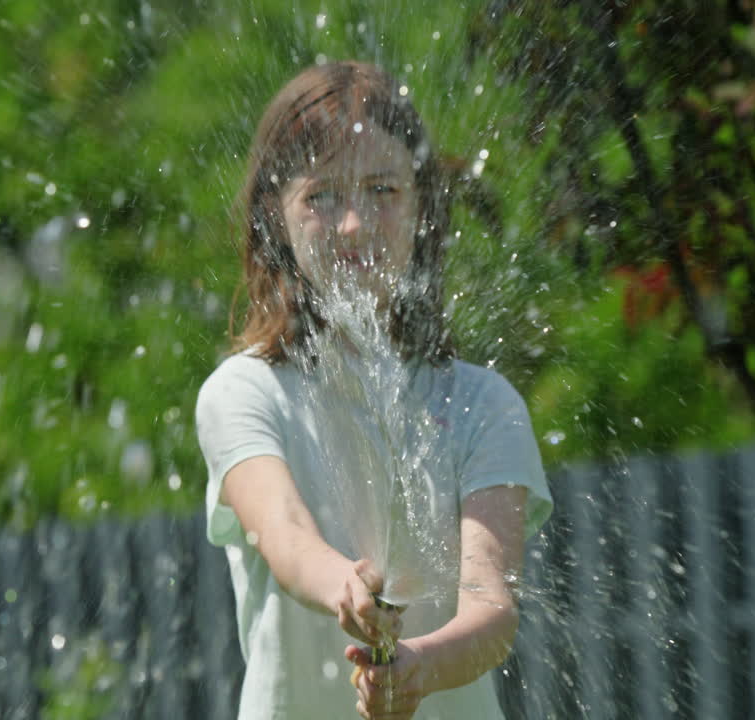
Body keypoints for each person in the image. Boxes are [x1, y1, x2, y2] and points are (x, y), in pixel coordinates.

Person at [195, 61, 553, 720]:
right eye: (321, 196)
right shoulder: (243, 394)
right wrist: (348, 588)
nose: (354, 223)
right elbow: (284, 532)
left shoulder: (484, 404)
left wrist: (420, 669)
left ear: (422, 208)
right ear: (275, 215)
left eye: (383, 189)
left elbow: (491, 608)